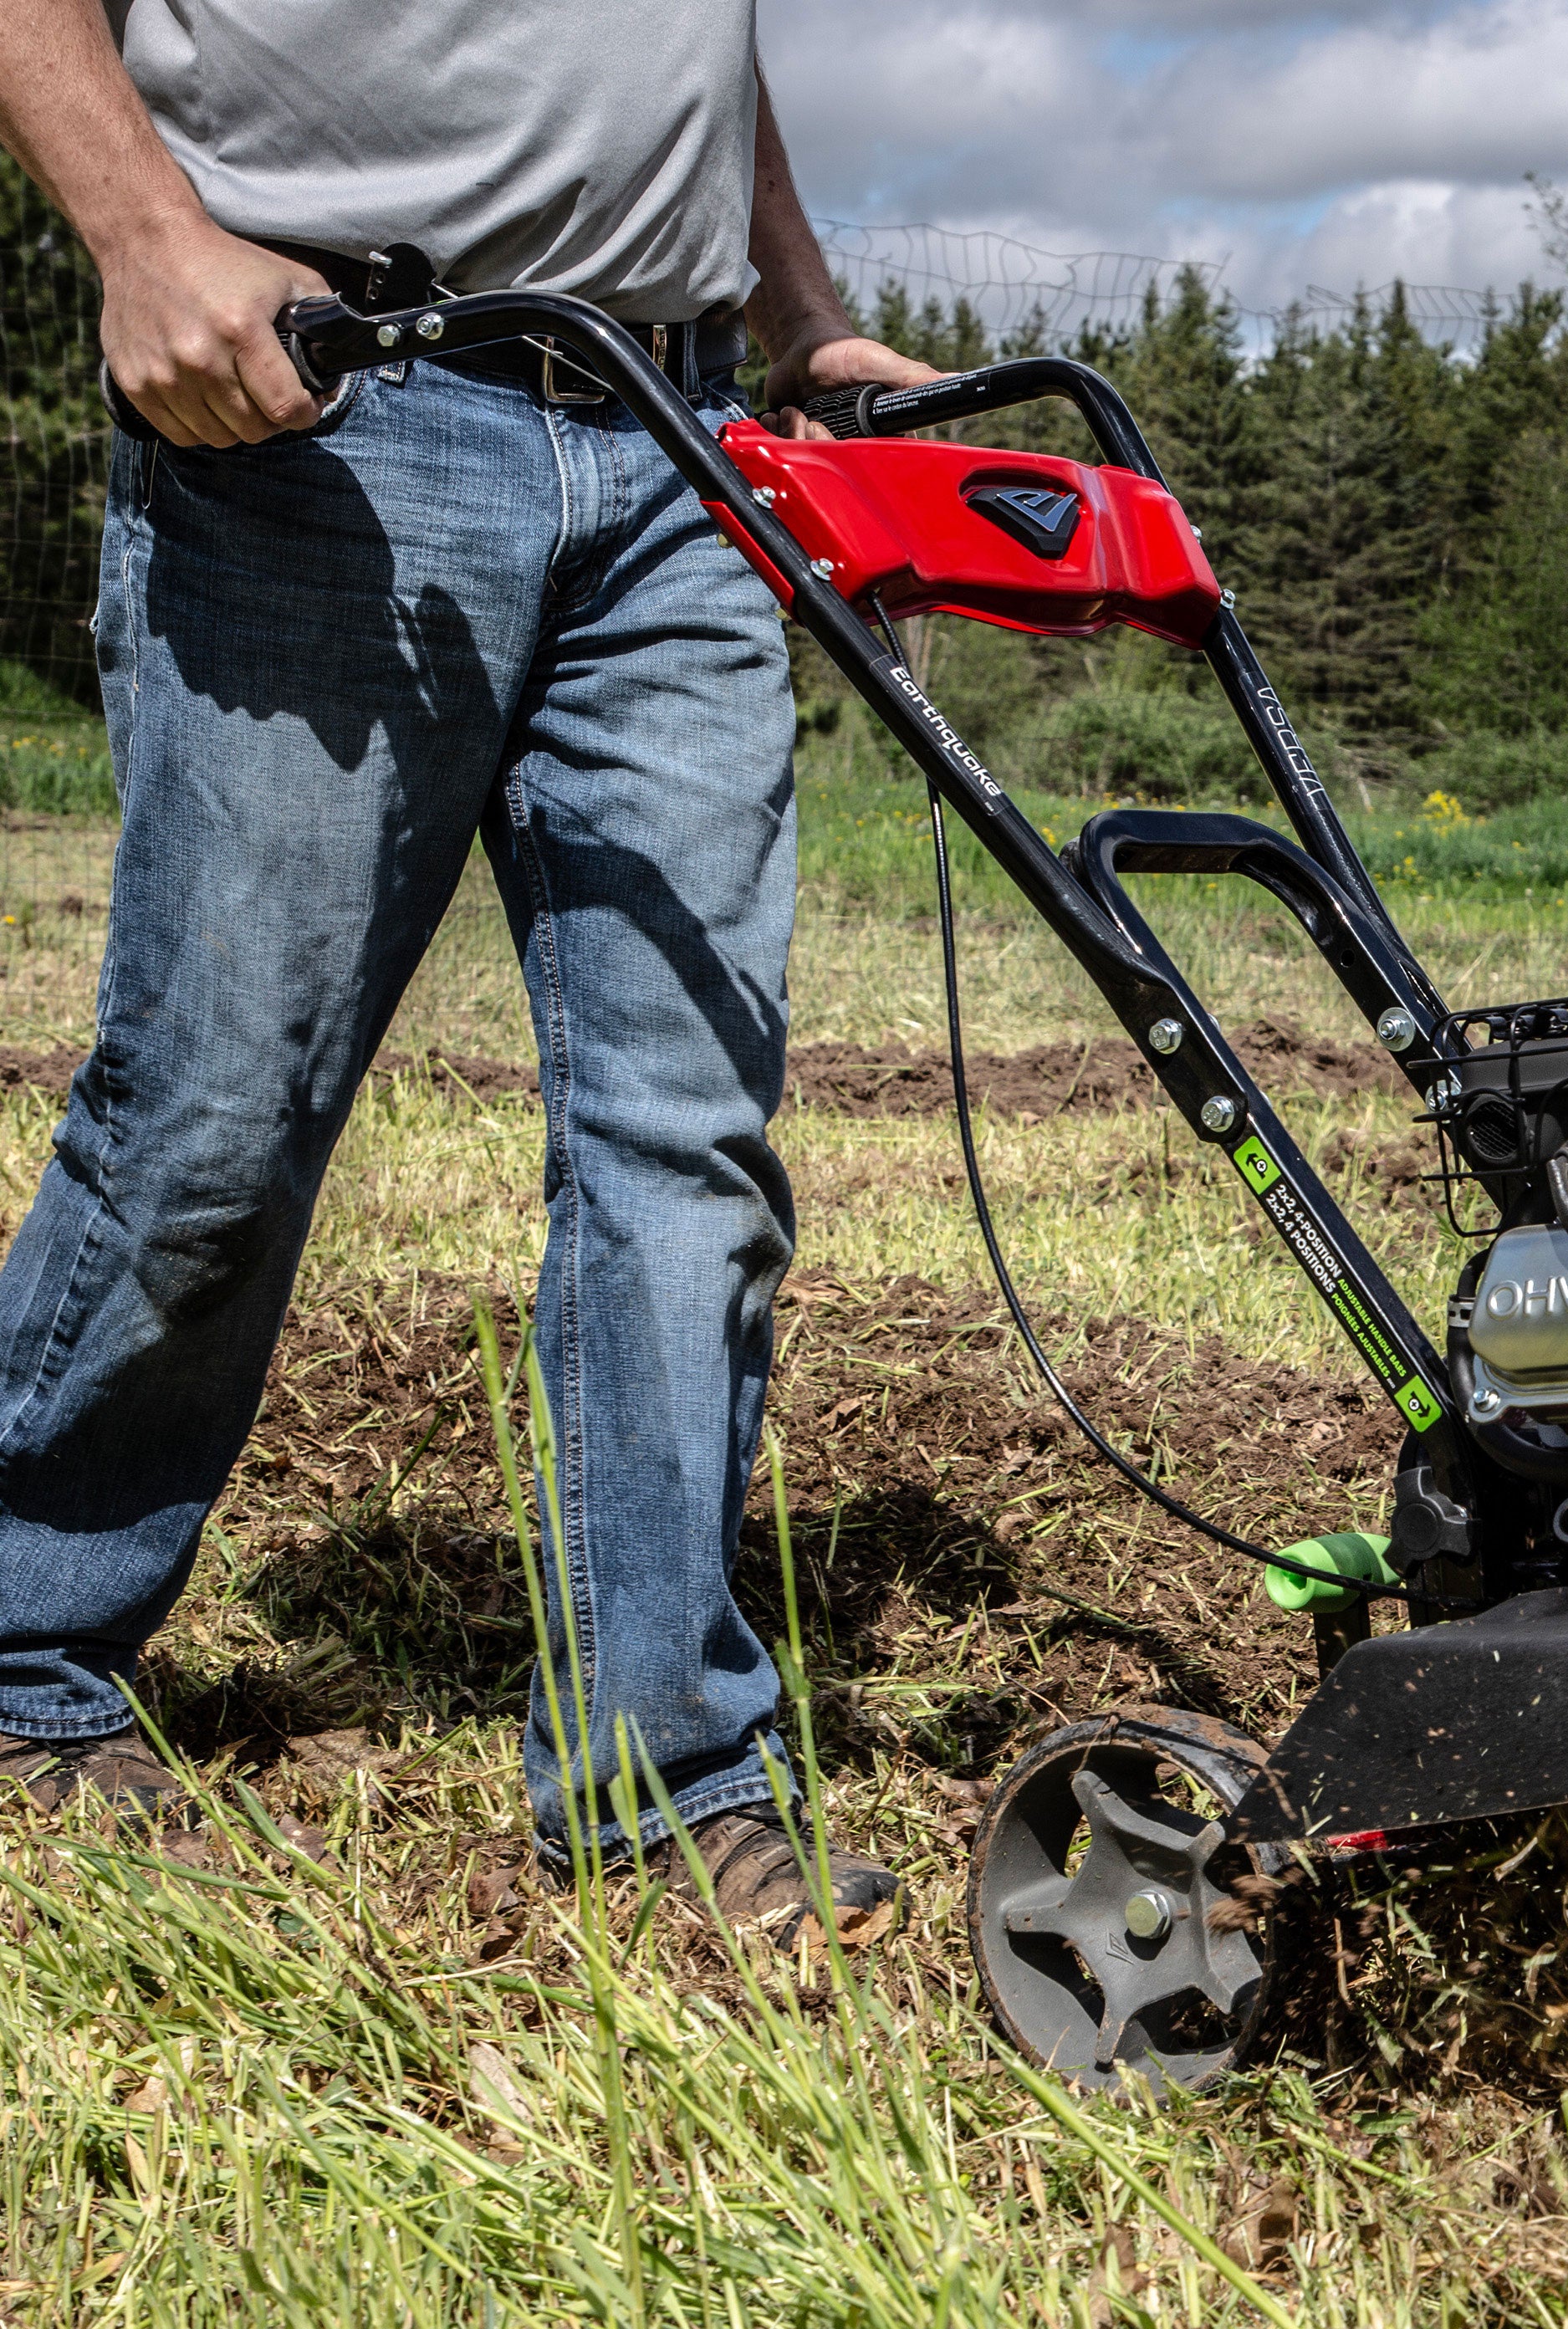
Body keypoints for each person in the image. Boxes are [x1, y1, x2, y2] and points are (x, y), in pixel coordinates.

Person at [0, 0, 934, 1943]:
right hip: (323, 403)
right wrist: (141, 234)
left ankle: (661, 1779)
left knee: (685, 1140)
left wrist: (802, 319)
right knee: (220, 1106)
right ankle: (24, 1654)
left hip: (679, 442)